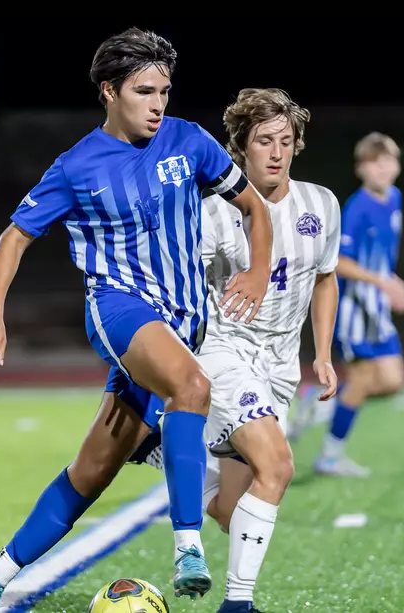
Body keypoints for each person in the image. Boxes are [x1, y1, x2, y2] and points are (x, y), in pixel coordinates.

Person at [0, 28, 274, 612]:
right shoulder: (76, 166)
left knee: (92, 472)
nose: (158, 104)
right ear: (109, 91)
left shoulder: (189, 142)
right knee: (192, 386)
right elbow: (14, 237)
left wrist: (256, 272)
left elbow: (254, 207)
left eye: (165, 91)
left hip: (182, 326)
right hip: (118, 309)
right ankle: (187, 549)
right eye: (144, 91)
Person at [128, 88, 341, 613]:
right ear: (240, 149)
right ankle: (238, 604)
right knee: (279, 466)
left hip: (281, 366)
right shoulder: (214, 212)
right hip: (223, 351)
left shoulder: (322, 203)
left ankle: (162, 451)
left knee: (230, 510)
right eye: (263, 140)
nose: (276, 151)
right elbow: (173, 286)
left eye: (285, 141)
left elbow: (326, 278)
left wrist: (324, 355)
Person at [287, 132, 404, 478]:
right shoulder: (357, 207)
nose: (383, 168)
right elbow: (339, 261)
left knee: (391, 380)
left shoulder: (394, 199)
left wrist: (391, 279)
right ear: (361, 169)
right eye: (374, 162)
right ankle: (330, 455)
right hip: (353, 309)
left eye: (388, 161)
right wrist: (382, 282)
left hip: (376, 309)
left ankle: (317, 404)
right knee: (364, 379)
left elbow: (381, 255)